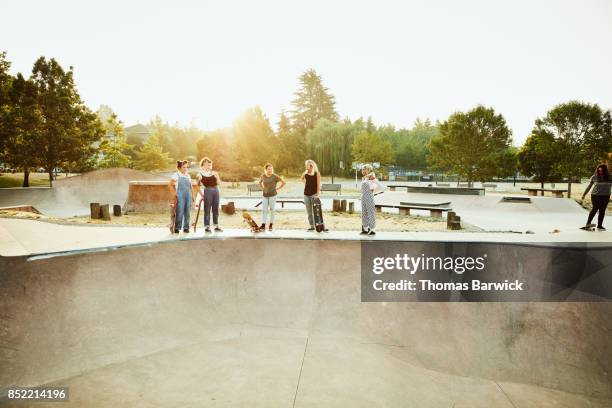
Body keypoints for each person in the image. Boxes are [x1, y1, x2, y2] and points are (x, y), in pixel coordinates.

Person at [581, 163, 611, 231]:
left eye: (602, 171)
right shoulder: (594, 177)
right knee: (595, 209)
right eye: (599, 170)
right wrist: (584, 194)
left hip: (606, 196)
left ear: (605, 171)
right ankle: (588, 224)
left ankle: (600, 226)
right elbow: (589, 186)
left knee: (602, 210)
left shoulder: (610, 177)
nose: (600, 172)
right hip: (595, 195)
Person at [196, 157, 223, 233]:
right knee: (207, 210)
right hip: (207, 190)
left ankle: (216, 226)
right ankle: (207, 227)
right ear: (203, 165)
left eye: (210, 165)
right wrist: (202, 195)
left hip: (216, 190)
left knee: (216, 209)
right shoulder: (200, 174)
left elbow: (219, 183)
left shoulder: (213, 173)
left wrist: (217, 176)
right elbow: (197, 186)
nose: (209, 166)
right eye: (208, 165)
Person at [258, 163, 286, 231]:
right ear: (266, 170)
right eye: (268, 169)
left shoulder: (275, 176)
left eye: (271, 169)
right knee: (264, 210)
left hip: (273, 195)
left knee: (272, 210)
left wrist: (278, 188)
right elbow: (259, 183)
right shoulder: (263, 176)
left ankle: (271, 224)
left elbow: (283, 182)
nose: (270, 170)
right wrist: (262, 188)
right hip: (265, 195)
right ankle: (263, 225)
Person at [169, 160, 193, 234]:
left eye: (186, 167)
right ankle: (177, 227)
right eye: (184, 167)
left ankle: (186, 228)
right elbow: (170, 184)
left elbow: (190, 186)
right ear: (179, 168)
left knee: (187, 212)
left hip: (188, 195)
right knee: (180, 211)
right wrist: (175, 193)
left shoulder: (188, 175)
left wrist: (193, 195)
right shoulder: (176, 175)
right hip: (180, 195)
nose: (185, 169)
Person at [300, 159, 321, 231]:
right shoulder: (306, 173)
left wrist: (317, 195)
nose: (306, 166)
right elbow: (301, 178)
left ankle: (318, 225)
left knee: (316, 211)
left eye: (307, 165)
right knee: (309, 212)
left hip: (314, 195)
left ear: (311, 165)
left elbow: (318, 185)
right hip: (306, 195)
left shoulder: (317, 173)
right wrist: (304, 173)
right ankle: (312, 226)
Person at [360, 165, 378, 235]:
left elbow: (374, 187)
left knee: (370, 212)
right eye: (363, 170)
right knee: (364, 213)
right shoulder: (364, 178)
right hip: (363, 196)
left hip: (369, 196)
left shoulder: (371, 176)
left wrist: (371, 179)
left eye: (365, 169)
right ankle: (365, 228)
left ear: (369, 170)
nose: (364, 171)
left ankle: (372, 229)